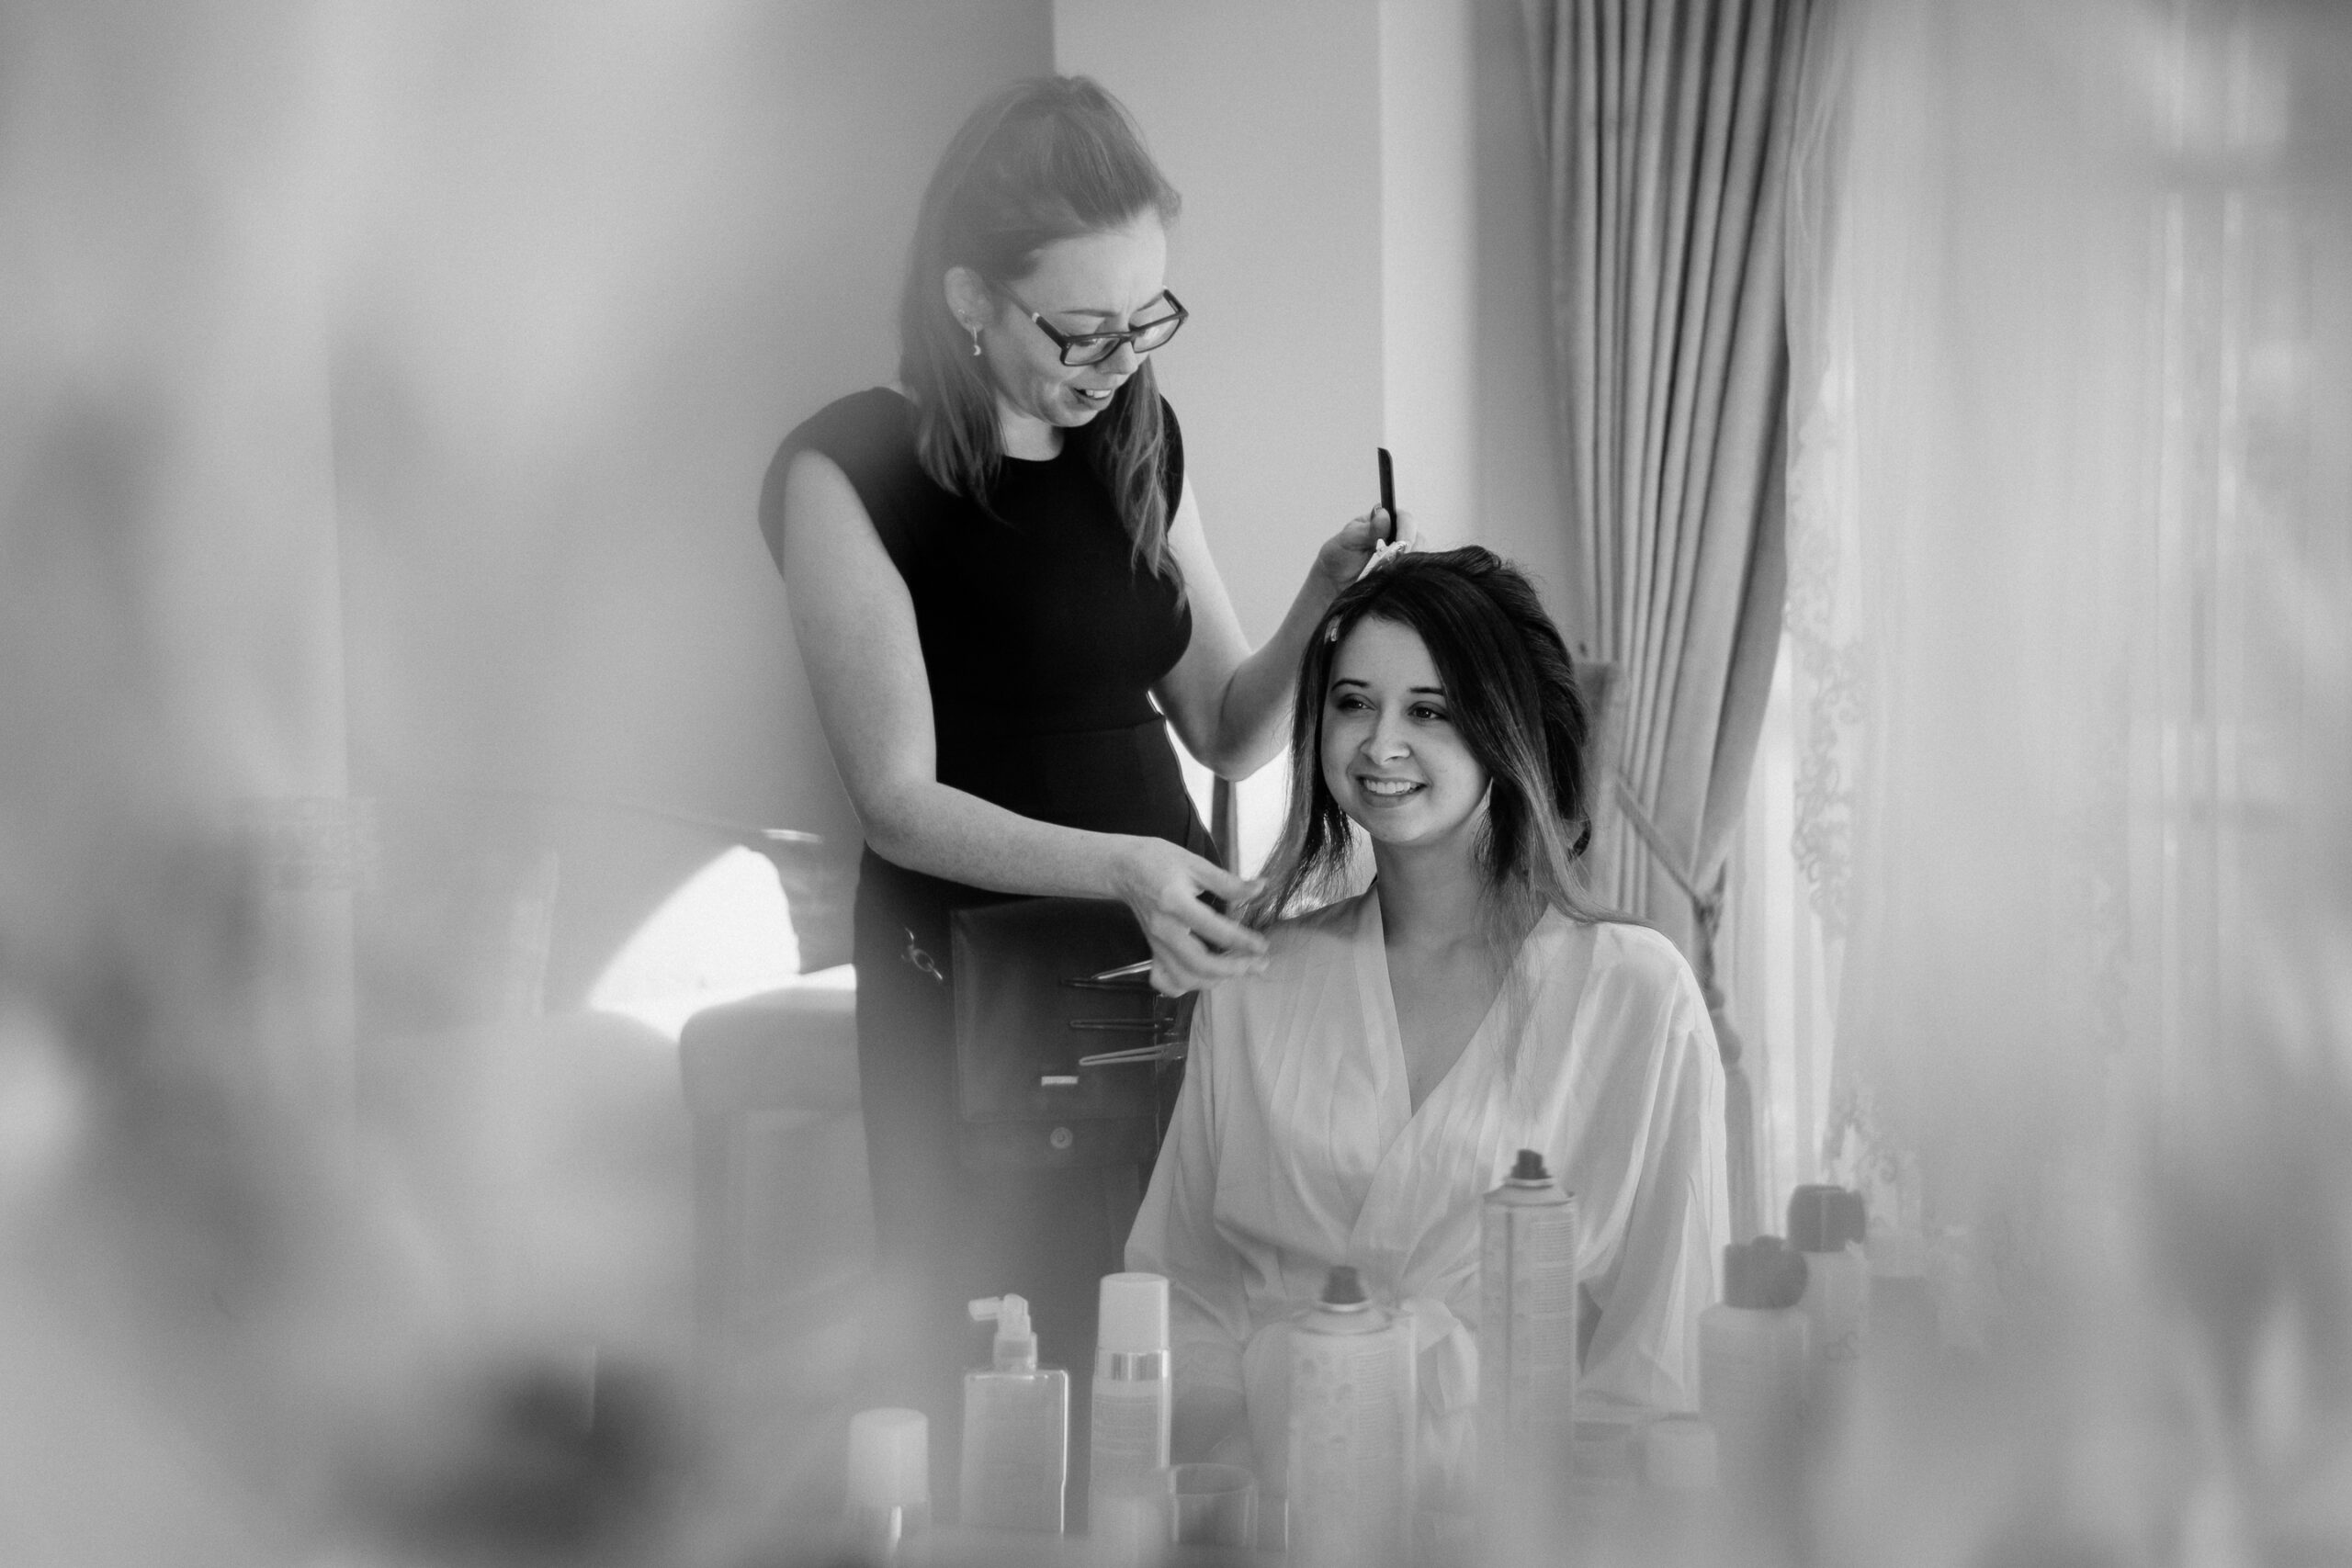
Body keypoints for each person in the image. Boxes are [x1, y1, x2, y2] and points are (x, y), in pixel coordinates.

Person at [756, 76, 1407, 1504]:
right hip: (973, 975)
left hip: (1159, 964)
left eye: (1149, 318)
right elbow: (897, 798)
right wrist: (1126, 864)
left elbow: (1229, 728)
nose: (1123, 357)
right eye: (1086, 325)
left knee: (1171, 1351)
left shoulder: (1137, 442)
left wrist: (1318, 601)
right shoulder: (847, 469)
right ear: (972, 297)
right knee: (983, 1355)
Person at [1125, 547, 1727, 1509]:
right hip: (1275, 1508)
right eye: (1353, 703)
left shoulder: (1635, 997)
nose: (1380, 745)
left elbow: (1660, 1349)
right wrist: (1245, 1486)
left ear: (1508, 729)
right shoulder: (1254, 980)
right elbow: (1184, 1287)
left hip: (1526, 1524)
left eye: (1430, 711)